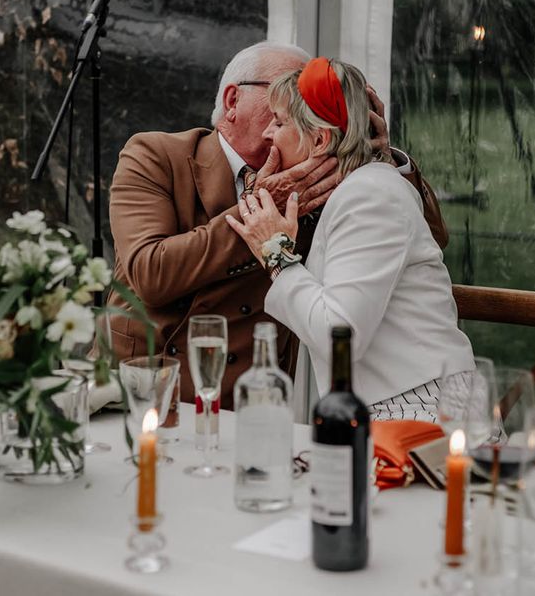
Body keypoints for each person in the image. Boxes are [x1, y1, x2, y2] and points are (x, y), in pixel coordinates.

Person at [107, 42, 448, 409]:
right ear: (233, 100)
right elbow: (151, 273)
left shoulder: (325, 175)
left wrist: (376, 155)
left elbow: (430, 240)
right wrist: (260, 209)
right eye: (285, 91)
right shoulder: (156, 155)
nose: (299, 105)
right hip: (146, 383)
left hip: (250, 398)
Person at [226, 57, 474, 421]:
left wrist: (275, 252)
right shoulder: (360, 190)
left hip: (420, 412)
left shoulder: (370, 196)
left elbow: (339, 334)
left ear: (320, 139)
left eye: (279, 123)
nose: (268, 134)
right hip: (396, 404)